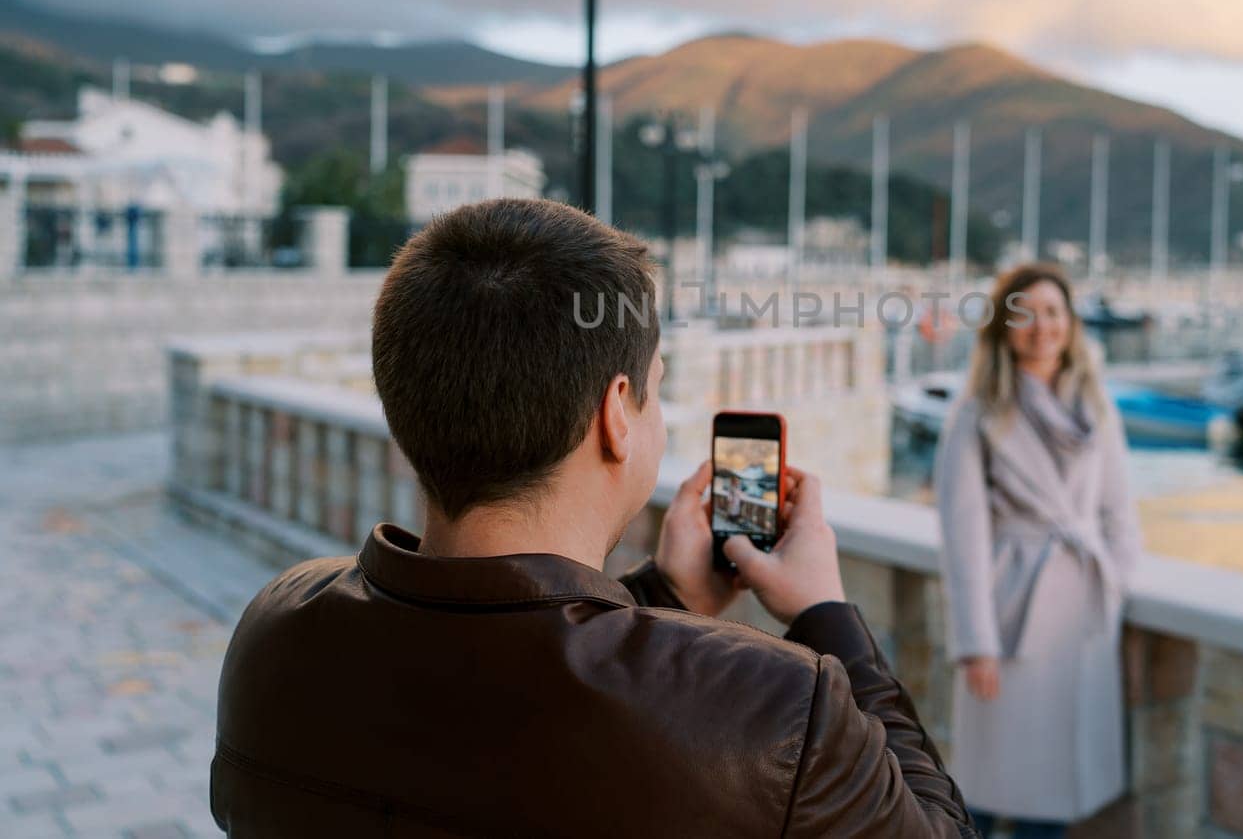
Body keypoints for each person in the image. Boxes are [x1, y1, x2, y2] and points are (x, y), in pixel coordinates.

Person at [211, 198, 976, 838]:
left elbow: (505, 660)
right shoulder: (781, 709)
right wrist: (826, 611)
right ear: (616, 413)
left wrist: (665, 597)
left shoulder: (277, 632)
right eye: (654, 387)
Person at [933, 263, 1142, 837]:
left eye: (1054, 312)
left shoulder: (1096, 407)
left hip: (1083, 616)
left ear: (1071, 324)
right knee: (991, 789)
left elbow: (1119, 512)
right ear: (1004, 327)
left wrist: (1117, 583)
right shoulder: (976, 412)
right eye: (1026, 314)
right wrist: (975, 642)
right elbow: (963, 534)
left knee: (1054, 794)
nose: (1042, 326)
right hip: (1009, 612)